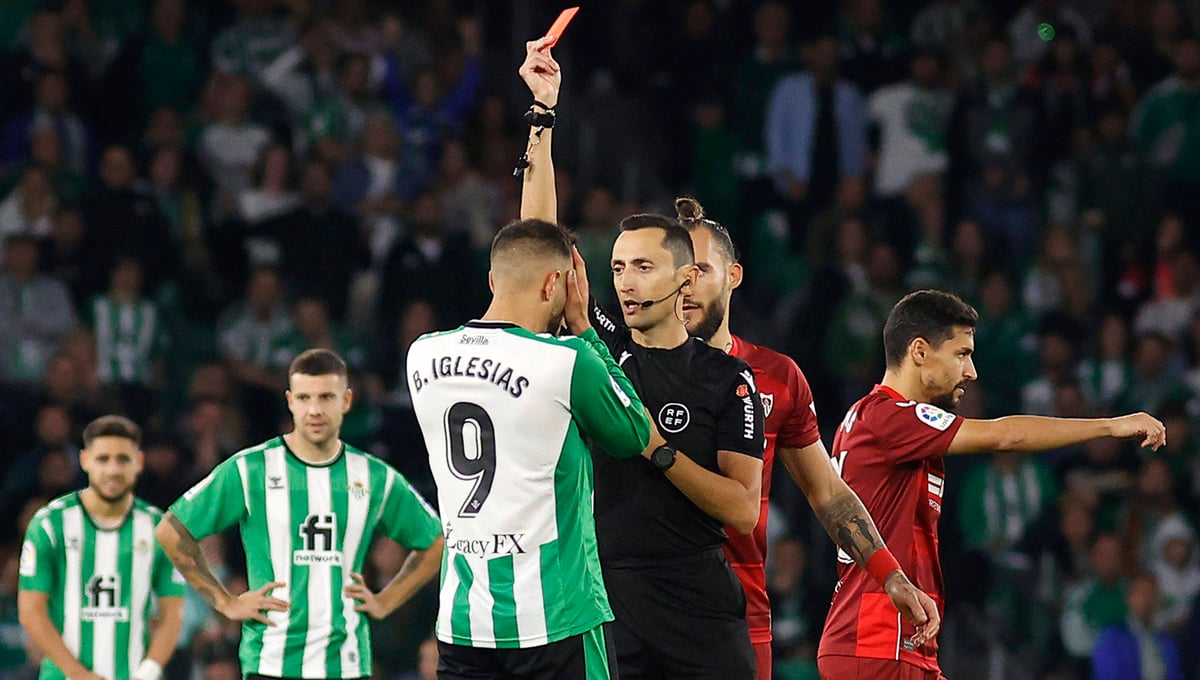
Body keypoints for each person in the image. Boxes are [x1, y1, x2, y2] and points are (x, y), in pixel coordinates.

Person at [518, 37, 764, 678]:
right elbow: (538, 245)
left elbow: (743, 509)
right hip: (609, 600)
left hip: (699, 604)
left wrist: (657, 449)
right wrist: (543, 113)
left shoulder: (727, 377)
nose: (626, 282)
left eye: (644, 267)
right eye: (619, 268)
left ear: (685, 280)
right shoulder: (599, 343)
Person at [816, 290, 1166, 679]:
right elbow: (1005, 436)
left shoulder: (875, 420)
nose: (971, 372)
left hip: (893, 639)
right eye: (961, 354)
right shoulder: (891, 417)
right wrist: (1110, 426)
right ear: (920, 351)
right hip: (877, 640)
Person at [674, 196, 938, 679]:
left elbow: (827, 492)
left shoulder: (777, 377)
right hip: (642, 610)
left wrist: (891, 575)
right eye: (677, 274)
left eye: (700, 271)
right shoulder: (623, 370)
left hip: (738, 618)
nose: (685, 287)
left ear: (733, 276)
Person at [406, 217, 652, 678]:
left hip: (464, 622)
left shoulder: (421, 354)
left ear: (492, 281)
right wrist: (585, 329)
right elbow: (634, 432)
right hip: (555, 618)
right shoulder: (566, 360)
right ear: (555, 284)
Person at [155, 348, 445, 680]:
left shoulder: (374, 476)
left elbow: (436, 540)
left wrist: (386, 601)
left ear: (346, 401)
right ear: (290, 402)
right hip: (270, 663)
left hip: (345, 663)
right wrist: (225, 603)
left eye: (326, 397)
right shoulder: (251, 469)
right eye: (305, 398)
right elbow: (171, 531)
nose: (314, 409)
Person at [17, 415, 185, 680]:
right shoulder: (49, 524)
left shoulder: (160, 529)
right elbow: (30, 611)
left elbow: (172, 613)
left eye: (123, 459)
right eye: (103, 459)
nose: (113, 470)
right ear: (85, 461)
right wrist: (76, 673)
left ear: (139, 462)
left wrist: (147, 673)